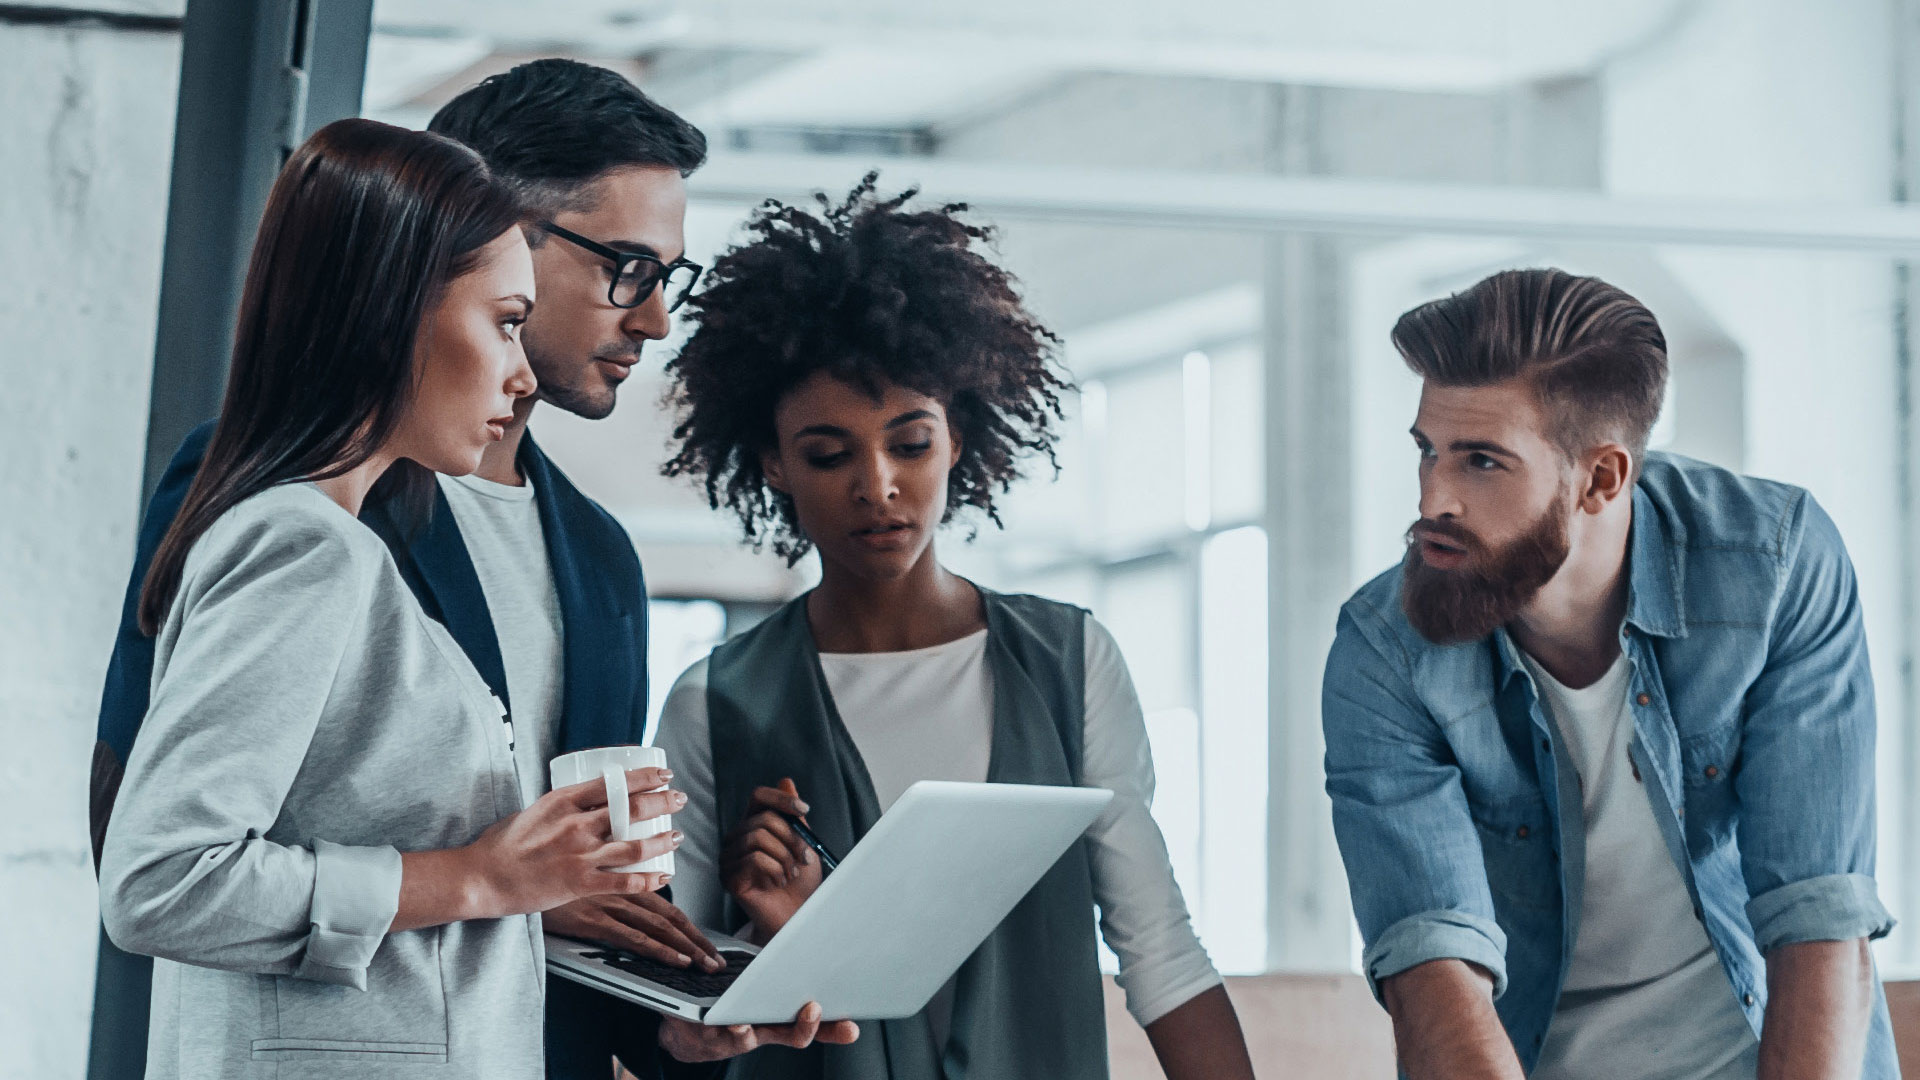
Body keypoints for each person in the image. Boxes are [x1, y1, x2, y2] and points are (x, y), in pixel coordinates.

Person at [88, 60, 850, 1079]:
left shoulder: (601, 562)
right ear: (485, 230)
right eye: (628, 267)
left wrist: (679, 1013)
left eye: (670, 276)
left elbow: (582, 893)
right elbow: (148, 842)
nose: (655, 319)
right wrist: (483, 882)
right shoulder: (291, 507)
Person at [650, 176, 1258, 1080]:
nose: (878, 486)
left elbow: (1159, 947)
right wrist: (773, 946)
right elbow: (682, 1014)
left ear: (958, 440)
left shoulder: (1068, 662)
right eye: (829, 454)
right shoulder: (716, 701)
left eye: (911, 443)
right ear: (773, 462)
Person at [1321, 267, 1898, 1079]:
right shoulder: (1385, 650)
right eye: (1428, 450)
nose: (1432, 501)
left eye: (1481, 461)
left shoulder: (1772, 568)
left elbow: (1819, 920)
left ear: (1601, 478)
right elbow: (1432, 970)